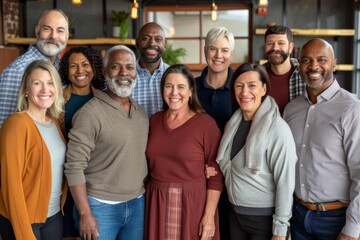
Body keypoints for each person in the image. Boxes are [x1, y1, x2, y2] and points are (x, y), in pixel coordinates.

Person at [64, 45, 148, 240]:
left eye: (129, 67)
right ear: (105, 70)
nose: (124, 73)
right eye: (116, 67)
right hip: (99, 206)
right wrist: (85, 213)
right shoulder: (89, 114)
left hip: (137, 204)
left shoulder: (141, 113)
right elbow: (74, 166)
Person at [283, 38, 360, 240]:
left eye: (322, 59)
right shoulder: (291, 109)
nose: (314, 66)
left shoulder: (351, 109)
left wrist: (353, 229)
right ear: (299, 65)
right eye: (306, 60)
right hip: (296, 216)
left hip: (336, 219)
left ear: (334, 63)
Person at [216, 63, 297, 239]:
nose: (245, 92)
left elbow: (286, 182)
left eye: (252, 85)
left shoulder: (278, 129)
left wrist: (280, 232)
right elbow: (228, 165)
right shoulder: (233, 123)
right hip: (235, 216)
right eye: (239, 85)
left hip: (264, 220)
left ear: (264, 89)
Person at [145, 64, 223, 240]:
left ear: (190, 92)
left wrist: (209, 217)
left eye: (180, 87)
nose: (174, 93)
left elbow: (217, 176)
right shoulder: (154, 121)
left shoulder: (205, 124)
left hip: (193, 203)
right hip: (157, 201)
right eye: (168, 86)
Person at [0, 60, 67, 240]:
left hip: (53, 216)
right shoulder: (16, 124)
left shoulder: (54, 123)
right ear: (26, 90)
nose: (45, 89)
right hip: (24, 219)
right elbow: (10, 185)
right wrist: (23, 232)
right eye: (37, 83)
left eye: (50, 82)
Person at [57, 46, 106, 239]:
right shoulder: (56, 100)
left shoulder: (105, 98)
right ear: (65, 71)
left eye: (85, 65)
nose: (80, 71)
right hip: (65, 177)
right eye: (73, 66)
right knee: (69, 230)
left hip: (96, 178)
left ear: (94, 68)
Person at [196, 26, 234, 240]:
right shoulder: (191, 89)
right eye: (213, 49)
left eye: (225, 50)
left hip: (231, 180)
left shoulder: (241, 89)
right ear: (205, 51)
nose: (218, 55)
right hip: (199, 178)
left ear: (231, 54)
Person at [0, 9, 69, 126]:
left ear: (67, 36)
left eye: (60, 31)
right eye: (47, 29)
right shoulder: (16, 71)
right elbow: (3, 124)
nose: (54, 36)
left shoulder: (63, 67)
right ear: (37, 30)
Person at [263, 25, 306, 114]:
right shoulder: (258, 75)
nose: (275, 48)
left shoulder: (305, 74)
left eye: (281, 43)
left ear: (290, 47)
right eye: (270, 43)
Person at [131, 22, 169, 116]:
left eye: (158, 39)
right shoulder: (125, 75)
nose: (152, 43)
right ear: (137, 43)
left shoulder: (173, 75)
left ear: (165, 44)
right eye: (145, 38)